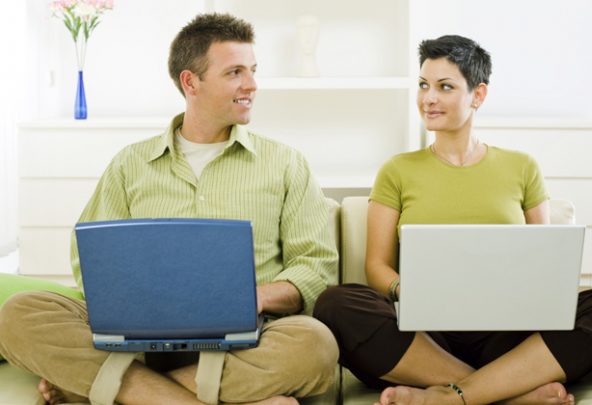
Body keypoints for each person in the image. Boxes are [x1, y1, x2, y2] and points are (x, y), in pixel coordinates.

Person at [0, 13, 339, 405]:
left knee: (316, 345)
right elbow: (89, 261)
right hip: (139, 339)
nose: (251, 85)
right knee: (19, 313)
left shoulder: (285, 163)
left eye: (252, 70)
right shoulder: (131, 163)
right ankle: (200, 395)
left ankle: (111, 389)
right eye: (234, 72)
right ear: (190, 82)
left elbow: (315, 265)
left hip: (246, 342)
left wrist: (253, 297)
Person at [313, 35, 592, 405]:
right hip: (425, 337)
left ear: (478, 95)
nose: (428, 98)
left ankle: (450, 397)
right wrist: (411, 292)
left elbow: (547, 264)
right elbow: (376, 266)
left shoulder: (522, 167)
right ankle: (508, 392)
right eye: (423, 85)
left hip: (508, 334)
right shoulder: (397, 170)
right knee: (335, 303)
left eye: (445, 87)